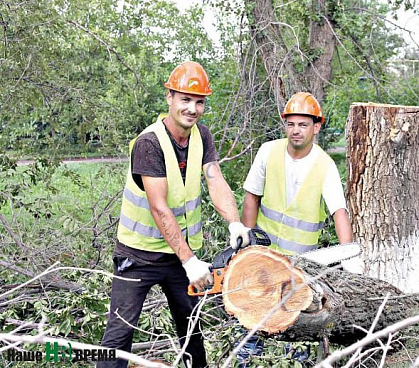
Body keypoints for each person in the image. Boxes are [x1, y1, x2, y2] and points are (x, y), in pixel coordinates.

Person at [98, 61, 250, 368]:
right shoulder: (149, 143)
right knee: (118, 334)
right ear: (169, 98)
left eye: (199, 102)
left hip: (179, 256)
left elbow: (215, 179)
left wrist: (234, 221)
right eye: (185, 99)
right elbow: (159, 207)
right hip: (138, 255)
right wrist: (190, 261)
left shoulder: (202, 136)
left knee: (192, 332)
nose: (192, 109)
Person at [237, 92, 360, 366]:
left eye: (303, 125)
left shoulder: (324, 165)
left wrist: (351, 257)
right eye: (291, 124)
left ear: (316, 127)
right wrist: (246, 241)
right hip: (265, 257)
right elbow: (251, 196)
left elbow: (339, 212)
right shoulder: (268, 152)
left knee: (296, 334)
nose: (296, 130)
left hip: (302, 266)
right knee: (251, 325)